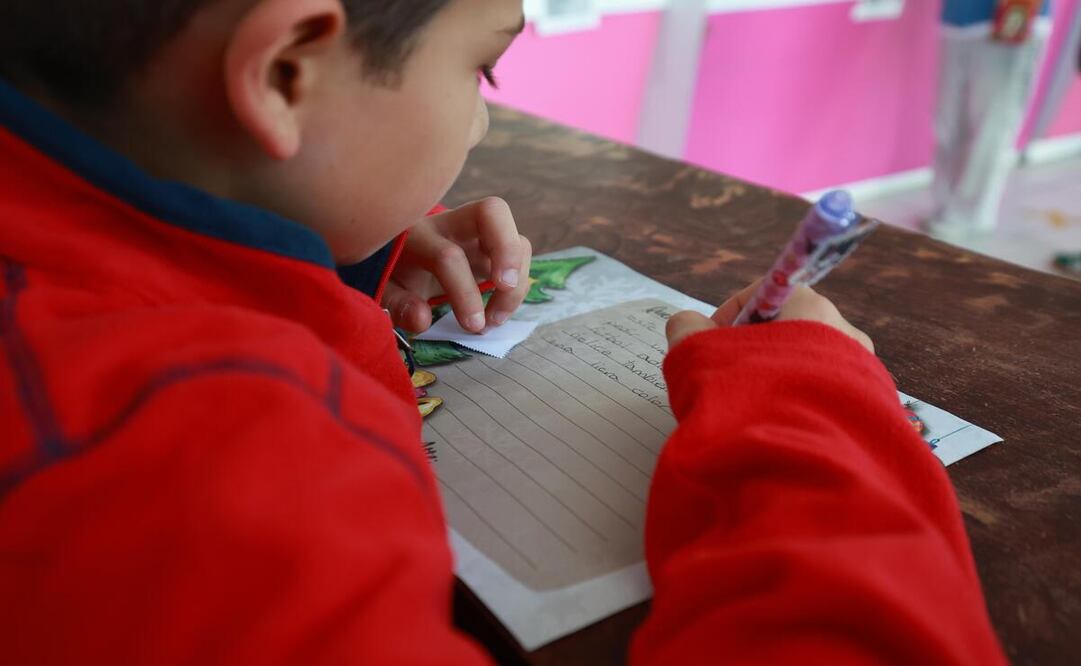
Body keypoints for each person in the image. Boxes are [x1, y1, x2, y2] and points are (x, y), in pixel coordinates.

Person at [0, 1, 1006, 663]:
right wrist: (808, 405)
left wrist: (329, 243)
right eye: (483, 71)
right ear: (286, 73)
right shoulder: (196, 483)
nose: (482, 127)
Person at [927, 0, 1052, 243]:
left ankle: (968, 216)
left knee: (991, 126)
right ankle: (946, 209)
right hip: (959, 21)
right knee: (950, 124)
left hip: (1010, 20)